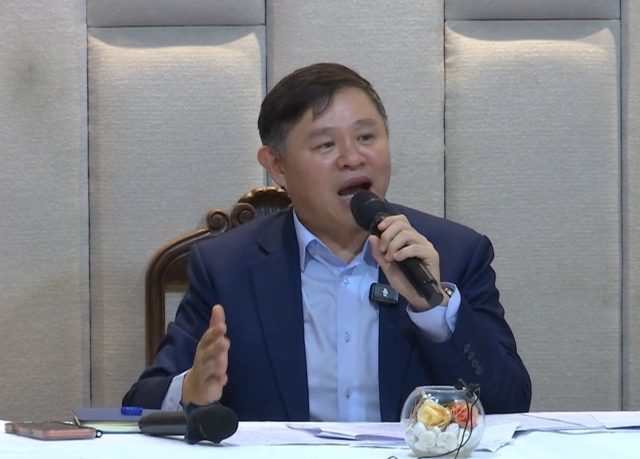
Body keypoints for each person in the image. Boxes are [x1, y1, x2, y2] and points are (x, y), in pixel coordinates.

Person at [123, 63, 531, 421]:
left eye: (366, 137)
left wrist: (435, 308)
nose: (352, 157)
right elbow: (141, 404)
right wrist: (191, 389)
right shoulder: (227, 267)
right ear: (277, 166)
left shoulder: (455, 253)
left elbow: (509, 402)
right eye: (326, 145)